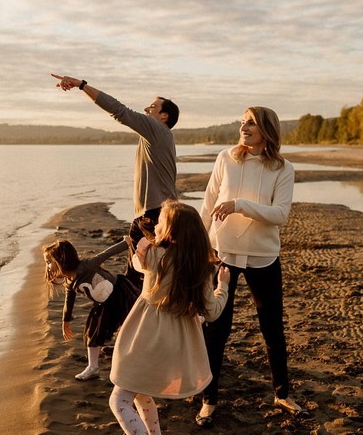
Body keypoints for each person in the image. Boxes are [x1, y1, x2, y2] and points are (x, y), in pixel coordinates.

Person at [195, 106, 306, 427]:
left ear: (267, 130)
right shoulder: (225, 158)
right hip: (223, 256)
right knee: (216, 331)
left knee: (272, 330)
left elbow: (280, 214)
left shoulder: (283, 168)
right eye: (243, 122)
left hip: (263, 258)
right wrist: (202, 245)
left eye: (251, 123)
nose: (244, 127)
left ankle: (282, 394)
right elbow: (207, 202)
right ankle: (208, 400)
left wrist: (239, 205)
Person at [108, 200, 230, 435]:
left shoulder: (153, 255)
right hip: (174, 345)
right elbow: (213, 312)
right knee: (141, 395)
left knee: (119, 400)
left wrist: (142, 247)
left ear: (171, 234)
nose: (155, 227)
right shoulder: (201, 268)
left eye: (160, 223)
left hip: (145, 338)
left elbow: (135, 261)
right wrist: (222, 286)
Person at [50, 74, 179, 270]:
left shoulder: (157, 130)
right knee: (139, 274)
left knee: (149, 274)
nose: (145, 109)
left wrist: (82, 85)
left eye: (152, 107)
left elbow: (119, 110)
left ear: (164, 116)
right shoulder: (156, 136)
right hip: (151, 214)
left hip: (156, 215)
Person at [43, 237, 140, 381]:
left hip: (120, 292)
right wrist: (66, 322)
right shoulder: (69, 281)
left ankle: (125, 351)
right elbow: (69, 301)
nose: (48, 266)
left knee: (127, 324)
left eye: (49, 262)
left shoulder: (86, 266)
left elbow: (106, 254)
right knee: (93, 330)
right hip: (103, 303)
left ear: (61, 260)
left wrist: (126, 243)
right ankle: (93, 367)